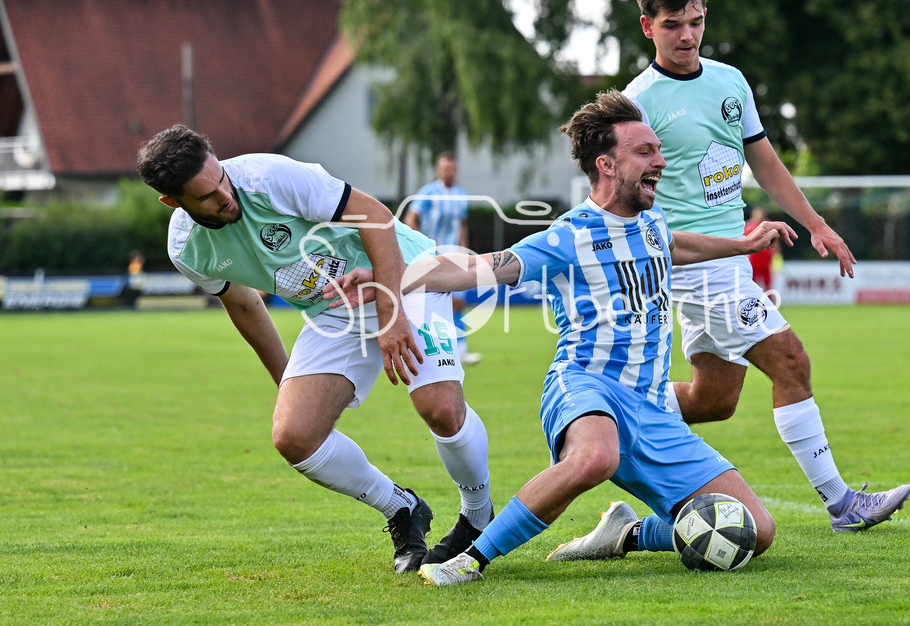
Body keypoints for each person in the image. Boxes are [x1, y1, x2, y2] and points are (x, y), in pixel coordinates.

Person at [325, 90, 790, 586]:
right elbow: (476, 268)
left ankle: (624, 535)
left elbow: (673, 244)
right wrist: (386, 277)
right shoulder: (569, 234)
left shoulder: (652, 221)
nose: (661, 160)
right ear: (607, 164)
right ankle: (471, 559)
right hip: (585, 386)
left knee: (757, 530)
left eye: (657, 149)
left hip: (654, 408)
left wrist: (740, 244)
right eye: (646, 152)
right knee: (596, 455)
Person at [623, 0, 910, 531]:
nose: (687, 35)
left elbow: (765, 163)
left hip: (728, 263)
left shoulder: (730, 81)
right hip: (695, 266)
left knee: (714, 401)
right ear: (647, 27)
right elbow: (626, 194)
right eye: (673, 24)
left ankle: (616, 415)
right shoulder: (639, 102)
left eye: (697, 21)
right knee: (791, 361)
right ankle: (842, 504)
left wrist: (817, 224)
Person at [136, 125, 493, 573]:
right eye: (207, 196)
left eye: (222, 178)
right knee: (294, 436)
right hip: (334, 311)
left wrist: (391, 313)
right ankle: (402, 509)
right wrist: (287, 381)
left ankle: (478, 517)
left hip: (406, 276)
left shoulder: (270, 177)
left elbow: (376, 217)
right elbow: (243, 303)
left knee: (438, 406)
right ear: (173, 202)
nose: (226, 196)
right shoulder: (186, 248)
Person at [403, 151, 481, 365]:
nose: (449, 171)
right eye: (445, 167)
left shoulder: (462, 194)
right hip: (431, 253)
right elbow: (410, 219)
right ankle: (430, 346)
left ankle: (459, 348)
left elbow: (462, 224)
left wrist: (464, 248)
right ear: (439, 169)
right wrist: (422, 244)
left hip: (454, 253)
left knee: (457, 301)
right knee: (433, 300)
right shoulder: (428, 192)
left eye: (452, 167)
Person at [744, 206, 777, 291]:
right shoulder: (748, 226)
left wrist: (775, 256)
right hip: (754, 258)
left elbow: (775, 242)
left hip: (765, 258)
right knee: (752, 281)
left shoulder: (769, 226)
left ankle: (769, 300)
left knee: (767, 282)